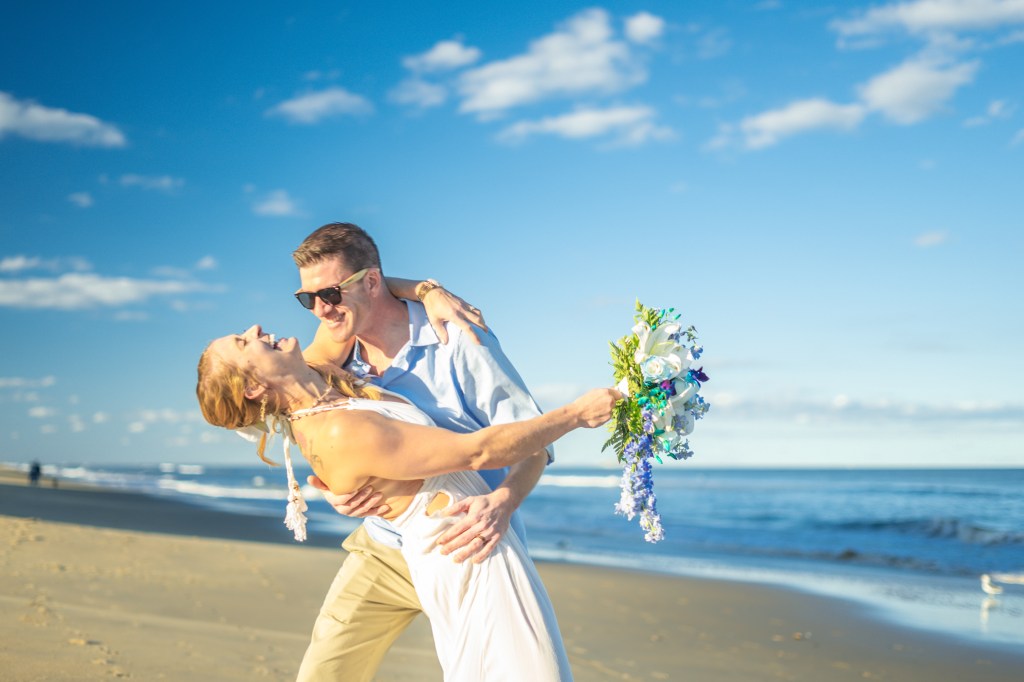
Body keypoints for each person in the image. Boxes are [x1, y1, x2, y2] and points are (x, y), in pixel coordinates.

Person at [196, 324, 619, 680]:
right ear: (253, 386)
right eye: (242, 342)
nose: (254, 330)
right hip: (469, 555)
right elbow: (479, 453)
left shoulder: (319, 383)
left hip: (467, 544)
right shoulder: (337, 431)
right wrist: (576, 415)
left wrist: (426, 290)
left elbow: (350, 283)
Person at [288, 223, 555, 681]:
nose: (321, 310)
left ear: (371, 281)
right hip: (383, 550)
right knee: (323, 674)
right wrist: (335, 490)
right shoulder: (332, 361)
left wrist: (505, 500)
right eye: (307, 298)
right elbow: (325, 437)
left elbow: (534, 441)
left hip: (466, 546)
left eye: (330, 293)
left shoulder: (459, 342)